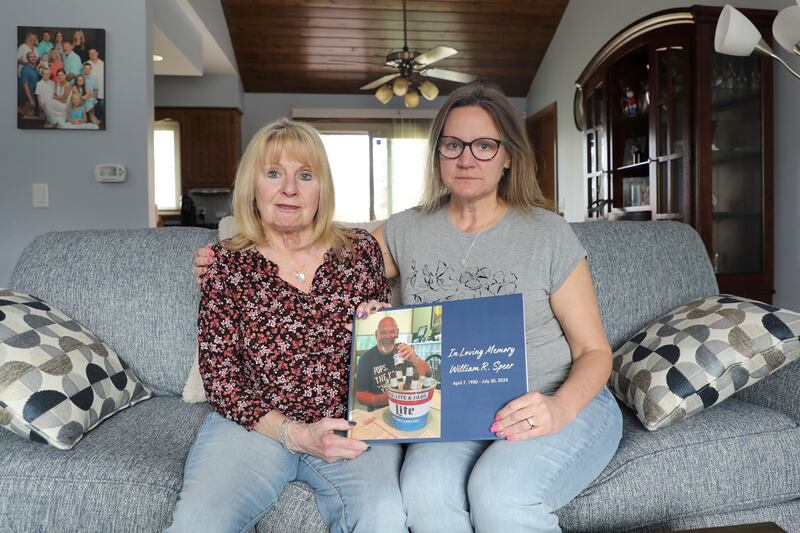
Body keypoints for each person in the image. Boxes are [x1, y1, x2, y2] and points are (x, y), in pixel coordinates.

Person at [194, 83, 623, 532]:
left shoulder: (547, 234)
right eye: (452, 145)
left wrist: (559, 409)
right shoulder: (404, 230)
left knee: (499, 494)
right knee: (423, 495)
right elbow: (315, 255)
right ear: (437, 155)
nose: (466, 158)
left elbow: (594, 351)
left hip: (552, 399)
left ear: (508, 156)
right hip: (452, 413)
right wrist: (223, 258)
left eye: (484, 145)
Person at [167, 118, 406, 533]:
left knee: (383, 517)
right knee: (199, 524)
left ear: (322, 189)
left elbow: (386, 356)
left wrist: (382, 330)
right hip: (254, 425)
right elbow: (221, 379)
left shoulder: (361, 250)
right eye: (274, 173)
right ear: (252, 186)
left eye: (305, 175)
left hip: (347, 421)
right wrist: (293, 433)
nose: (289, 189)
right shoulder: (226, 262)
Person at [355, 316, 430, 409]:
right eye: (383, 332)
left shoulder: (404, 350)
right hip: (379, 410)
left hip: (406, 407)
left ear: (397, 333)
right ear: (376, 334)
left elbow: (426, 373)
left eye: (392, 332)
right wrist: (383, 398)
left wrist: (415, 359)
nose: (387, 336)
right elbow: (361, 396)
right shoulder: (365, 359)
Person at [18, 52, 40, 118]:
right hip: (29, 97)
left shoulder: (35, 68)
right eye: (31, 57)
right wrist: (30, 100)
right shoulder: (25, 70)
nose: (33, 58)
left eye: (34, 57)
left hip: (35, 95)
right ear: (27, 58)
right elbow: (25, 85)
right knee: (33, 115)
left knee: (40, 112)